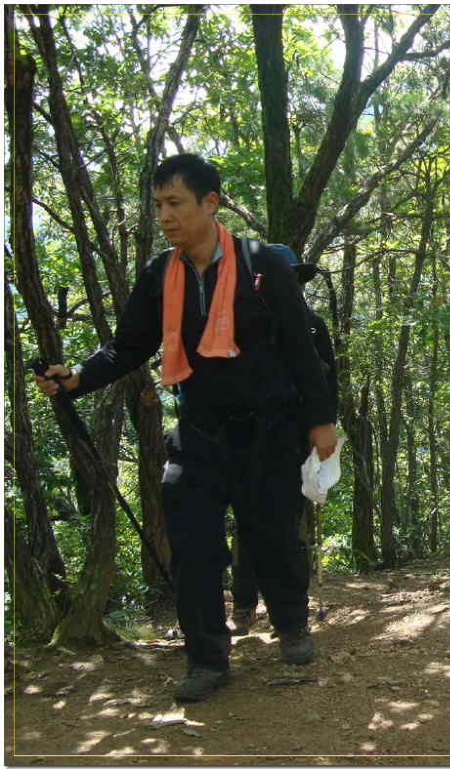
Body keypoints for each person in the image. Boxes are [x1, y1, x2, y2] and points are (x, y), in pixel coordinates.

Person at [33, 154, 337, 703]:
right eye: (159, 206)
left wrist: (321, 424)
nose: (166, 216)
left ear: (210, 203)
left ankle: (291, 624)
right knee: (193, 544)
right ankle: (206, 658)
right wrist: (76, 377)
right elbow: (128, 347)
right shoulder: (159, 276)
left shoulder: (262, 264)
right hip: (199, 431)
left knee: (270, 534)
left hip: (269, 429)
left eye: (175, 203)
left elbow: (301, 350)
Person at [230, 246, 337, 635]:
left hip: (296, 438)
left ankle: (290, 614)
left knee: (290, 526)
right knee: (246, 523)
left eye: (294, 278)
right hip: (248, 437)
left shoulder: (314, 326)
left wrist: (323, 430)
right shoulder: (246, 323)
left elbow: (328, 383)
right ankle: (243, 605)